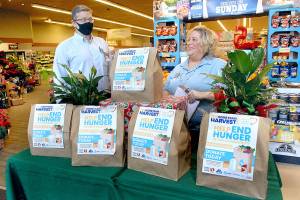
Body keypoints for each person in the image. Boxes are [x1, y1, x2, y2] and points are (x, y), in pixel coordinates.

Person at [164, 26, 226, 150]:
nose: (189, 43)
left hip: (203, 131)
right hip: (175, 129)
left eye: (194, 40)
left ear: (206, 43)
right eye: (188, 40)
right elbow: (166, 89)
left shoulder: (219, 65)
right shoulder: (179, 67)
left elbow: (231, 95)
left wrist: (202, 95)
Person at [53, 5, 110, 92]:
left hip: (106, 96)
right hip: (82, 100)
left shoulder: (102, 42)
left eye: (90, 19)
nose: (88, 22)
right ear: (74, 23)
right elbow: (59, 78)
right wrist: (63, 103)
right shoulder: (64, 47)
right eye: (83, 20)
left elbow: (110, 68)